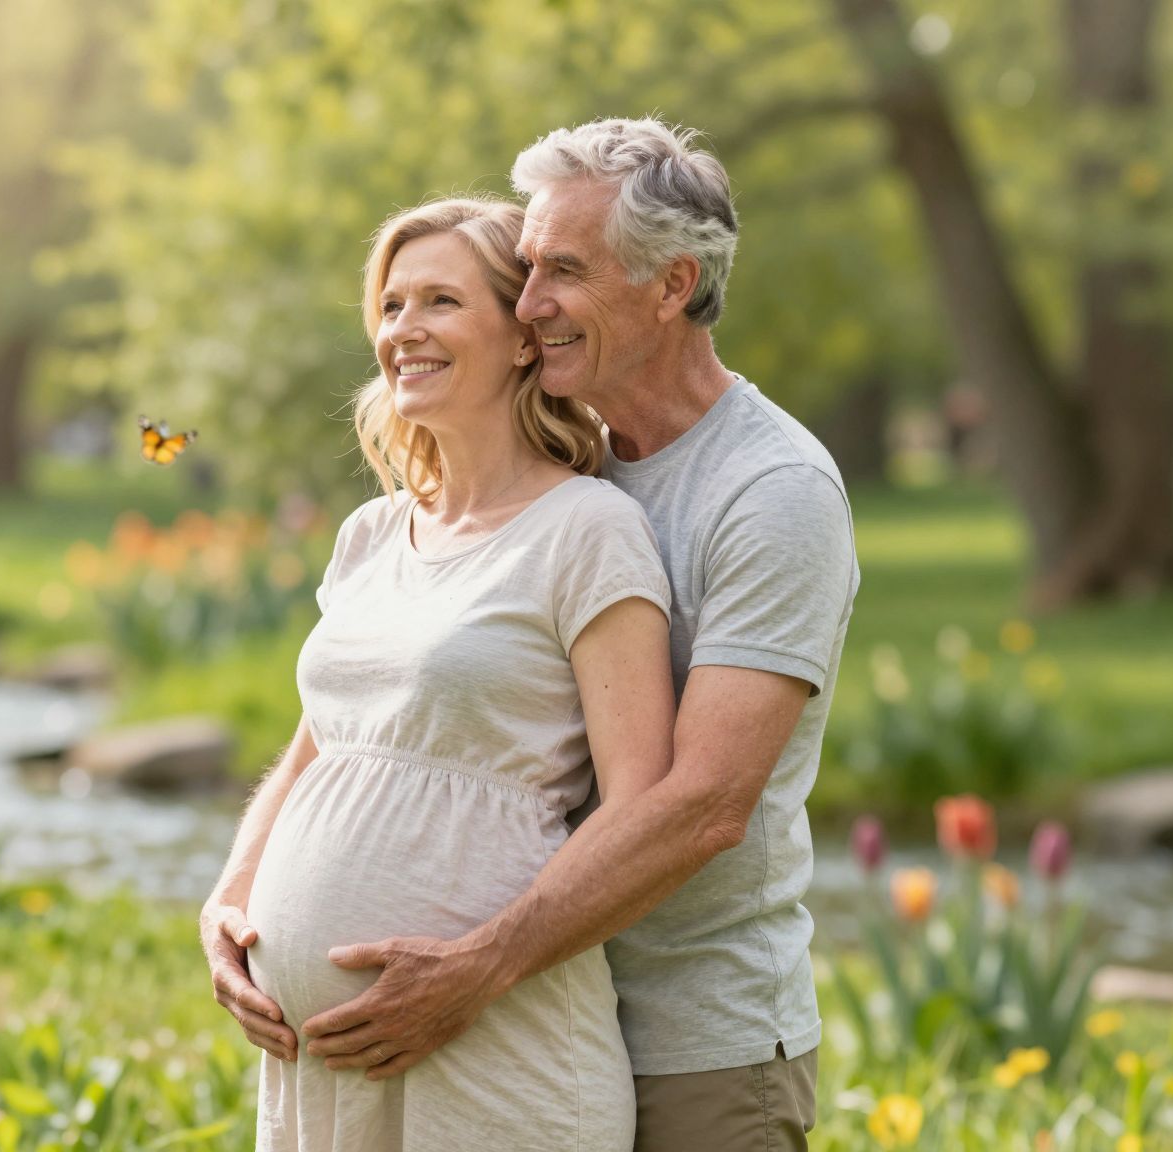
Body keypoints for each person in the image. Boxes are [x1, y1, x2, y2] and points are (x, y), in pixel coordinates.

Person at [291, 119, 860, 1151]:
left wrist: (478, 964)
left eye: (560, 270)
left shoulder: (769, 492)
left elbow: (703, 806)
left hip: (693, 1036)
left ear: (669, 283)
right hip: (525, 1015)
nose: (529, 299)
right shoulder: (565, 462)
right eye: (522, 271)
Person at [199, 196, 678, 1149]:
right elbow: (312, 755)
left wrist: (474, 967)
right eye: (390, 305)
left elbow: (641, 803)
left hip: (497, 1046)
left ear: (520, 336)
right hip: (317, 1066)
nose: (402, 330)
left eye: (440, 302)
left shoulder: (588, 531)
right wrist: (232, 895)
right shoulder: (371, 533)